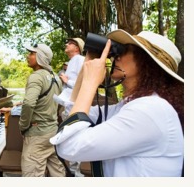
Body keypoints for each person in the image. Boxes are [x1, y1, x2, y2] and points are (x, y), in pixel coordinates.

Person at [50, 29, 184, 177]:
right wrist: (86, 67)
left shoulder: (151, 110)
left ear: (146, 62)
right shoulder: (128, 106)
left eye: (125, 50)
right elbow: (72, 115)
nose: (117, 56)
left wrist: (90, 83)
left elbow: (69, 147)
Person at [19, 43, 66, 177]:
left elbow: (28, 103)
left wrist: (23, 126)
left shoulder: (36, 76)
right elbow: (61, 103)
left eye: (32, 53)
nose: (28, 56)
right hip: (53, 132)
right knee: (58, 173)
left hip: (37, 135)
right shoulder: (56, 78)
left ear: (40, 57)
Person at [55, 37, 85, 121]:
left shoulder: (80, 59)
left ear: (77, 48)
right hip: (68, 103)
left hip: (76, 105)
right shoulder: (72, 61)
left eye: (70, 43)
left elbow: (84, 83)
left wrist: (67, 81)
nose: (66, 44)